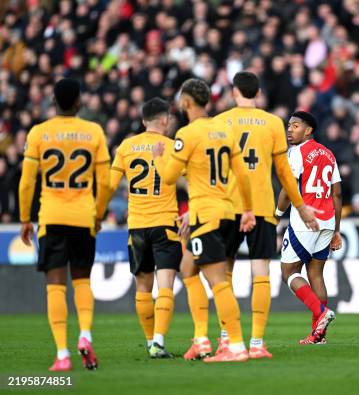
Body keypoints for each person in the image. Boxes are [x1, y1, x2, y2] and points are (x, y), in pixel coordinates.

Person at [210, 71, 318, 358]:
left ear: (234, 91)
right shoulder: (271, 123)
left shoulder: (219, 122)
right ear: (258, 93)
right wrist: (302, 206)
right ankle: (257, 344)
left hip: (227, 207)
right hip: (261, 207)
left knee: (225, 273)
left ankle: (228, 341)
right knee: (260, 273)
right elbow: (283, 172)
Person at [152, 78, 256, 363]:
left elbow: (170, 177)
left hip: (205, 215)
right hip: (227, 211)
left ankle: (235, 346)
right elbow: (243, 174)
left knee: (218, 281)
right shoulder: (224, 129)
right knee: (188, 269)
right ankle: (200, 339)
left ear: (186, 102)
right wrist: (247, 209)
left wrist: (160, 158)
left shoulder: (187, 134)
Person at [18, 78, 111, 371]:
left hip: (52, 218)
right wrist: (98, 213)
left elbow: (26, 182)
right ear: (79, 102)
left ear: (53, 102)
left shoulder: (39, 133)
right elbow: (106, 182)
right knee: (82, 280)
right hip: (83, 217)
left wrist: (24, 218)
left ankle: (62, 355)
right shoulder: (93, 131)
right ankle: (85, 335)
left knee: (55, 286)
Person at [104, 98, 182, 358]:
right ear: (165, 120)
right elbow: (185, 182)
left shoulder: (126, 146)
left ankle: (150, 341)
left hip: (136, 225)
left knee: (143, 288)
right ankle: (158, 341)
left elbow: (110, 183)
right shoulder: (172, 147)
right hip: (165, 223)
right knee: (166, 285)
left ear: (142, 122)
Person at [277, 111, 343, 344]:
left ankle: (321, 312)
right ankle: (318, 335)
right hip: (326, 221)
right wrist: (336, 229)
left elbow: (287, 189)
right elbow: (337, 193)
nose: (290, 129)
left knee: (288, 273)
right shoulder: (328, 153)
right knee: (315, 273)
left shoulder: (296, 152)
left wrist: (276, 214)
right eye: (289, 125)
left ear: (308, 131)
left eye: (295, 126)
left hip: (305, 221)